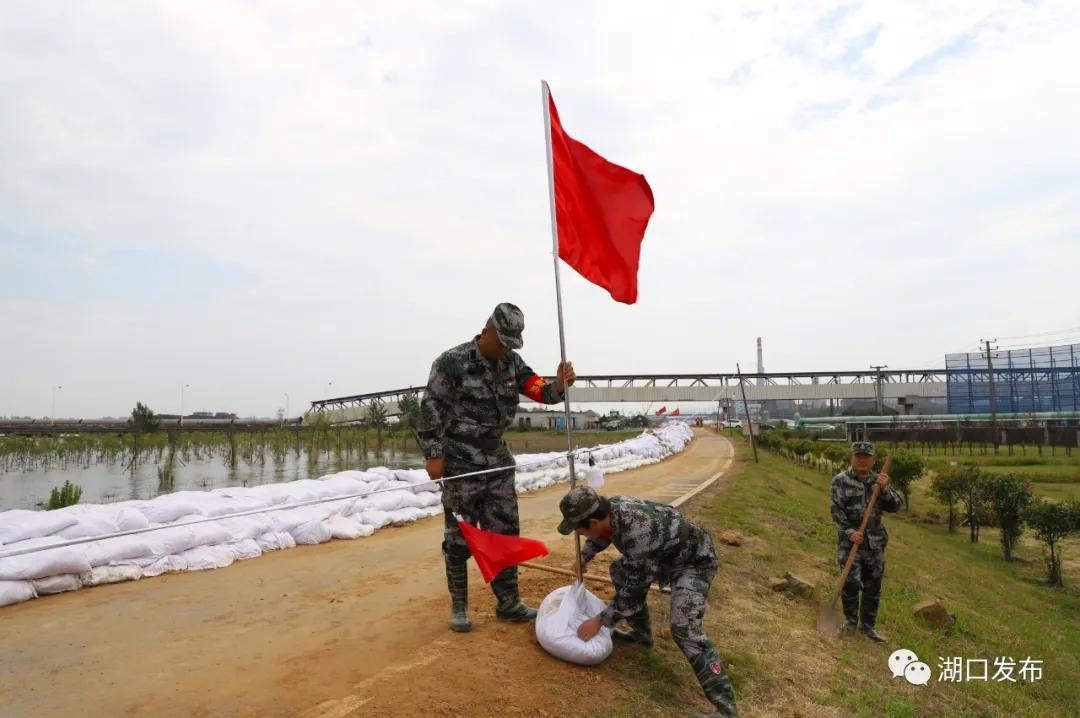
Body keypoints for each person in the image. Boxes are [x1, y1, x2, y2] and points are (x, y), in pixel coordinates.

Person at [420, 302, 575, 632]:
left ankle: (508, 602)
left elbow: (539, 390)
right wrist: (434, 455)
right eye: (501, 340)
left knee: (505, 532)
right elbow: (430, 407)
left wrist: (559, 386)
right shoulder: (452, 362)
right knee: (460, 535)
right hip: (461, 462)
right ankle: (460, 606)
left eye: (511, 343)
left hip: (498, 462)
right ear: (486, 330)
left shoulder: (512, 363)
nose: (504, 348)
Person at [557, 486, 739, 718]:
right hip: (664, 555)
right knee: (620, 571)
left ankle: (727, 710)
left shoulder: (638, 532)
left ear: (592, 521)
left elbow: (634, 590)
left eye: (579, 530)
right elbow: (603, 535)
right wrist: (585, 555)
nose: (580, 535)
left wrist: (600, 621)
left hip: (693, 563)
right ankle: (641, 636)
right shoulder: (611, 510)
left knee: (685, 630)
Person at [829, 441, 903, 643]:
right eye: (858, 456)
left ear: (873, 460)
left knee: (873, 588)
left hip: (875, 545)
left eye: (866, 457)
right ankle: (850, 622)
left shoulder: (879, 482)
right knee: (851, 584)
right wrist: (849, 531)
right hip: (851, 543)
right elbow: (836, 511)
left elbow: (896, 507)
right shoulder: (840, 481)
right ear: (852, 458)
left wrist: (885, 489)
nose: (862, 460)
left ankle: (868, 628)